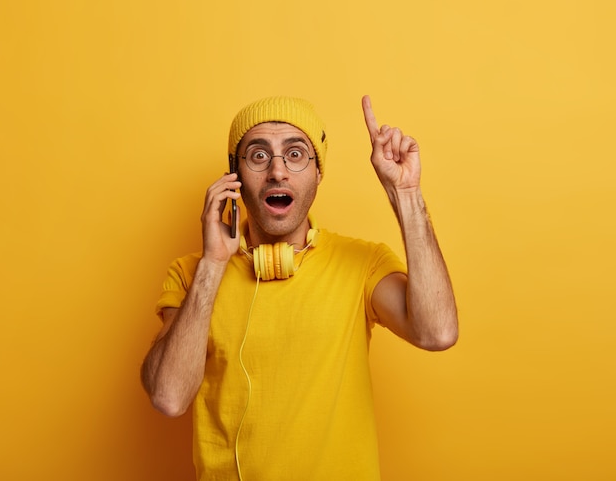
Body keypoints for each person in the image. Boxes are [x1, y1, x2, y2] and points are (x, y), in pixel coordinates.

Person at [141, 95, 458, 481]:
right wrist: (213, 265)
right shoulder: (192, 274)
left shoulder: (363, 264)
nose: (278, 171)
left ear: (318, 173)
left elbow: (438, 332)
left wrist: (406, 194)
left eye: (295, 154)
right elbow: (169, 397)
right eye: (258, 156)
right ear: (233, 176)